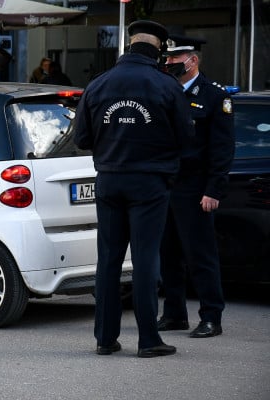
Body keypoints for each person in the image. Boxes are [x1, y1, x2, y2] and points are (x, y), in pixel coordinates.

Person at [72, 20, 195, 358]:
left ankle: (105, 339)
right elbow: (187, 139)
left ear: (129, 46)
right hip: (149, 183)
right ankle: (148, 340)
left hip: (109, 180)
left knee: (108, 260)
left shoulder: (98, 85)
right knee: (144, 260)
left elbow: (82, 138)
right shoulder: (166, 86)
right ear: (158, 50)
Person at [157, 35, 235, 338]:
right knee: (168, 255)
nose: (169, 64)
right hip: (166, 186)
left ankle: (211, 316)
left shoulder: (215, 95)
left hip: (196, 188)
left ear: (193, 60)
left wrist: (214, 189)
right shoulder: (165, 92)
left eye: (175, 60)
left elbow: (222, 148)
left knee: (200, 255)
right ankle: (174, 314)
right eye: (167, 60)